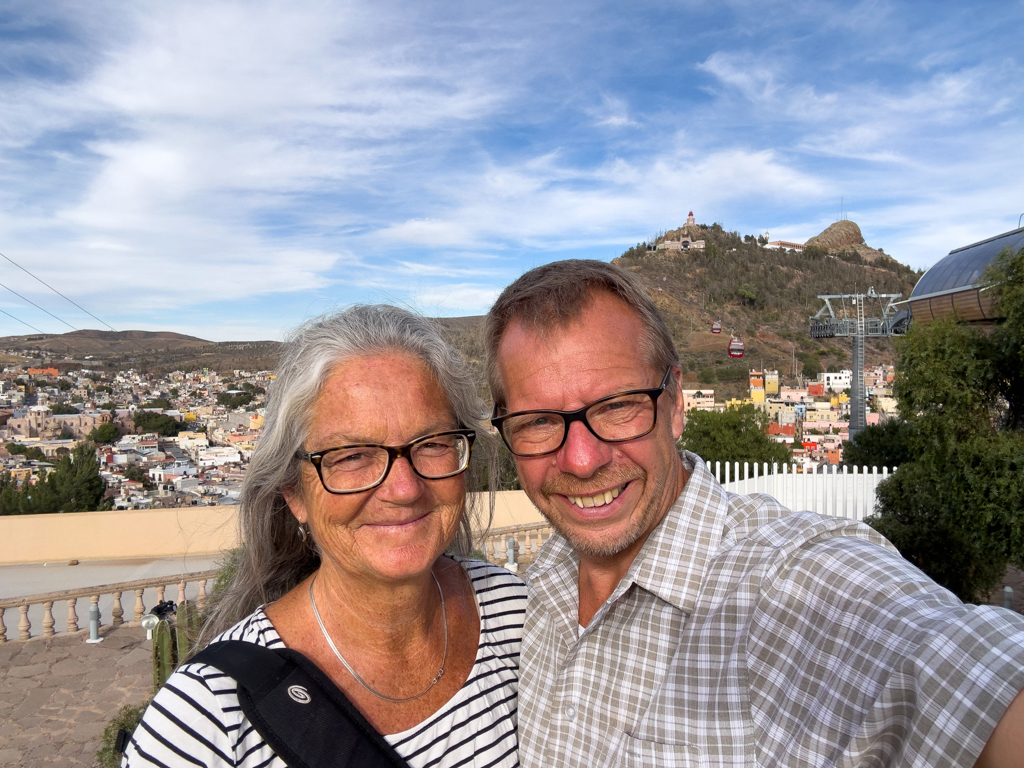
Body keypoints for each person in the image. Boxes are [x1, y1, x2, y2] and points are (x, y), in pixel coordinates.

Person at [484, 259, 1024, 768]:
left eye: (618, 405)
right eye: (537, 422)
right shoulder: (546, 575)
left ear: (675, 404)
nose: (581, 461)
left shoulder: (787, 581)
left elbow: (954, 661)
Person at [125, 306, 525, 768]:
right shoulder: (205, 724)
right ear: (294, 493)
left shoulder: (516, 616)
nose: (404, 489)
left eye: (432, 444)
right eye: (352, 455)